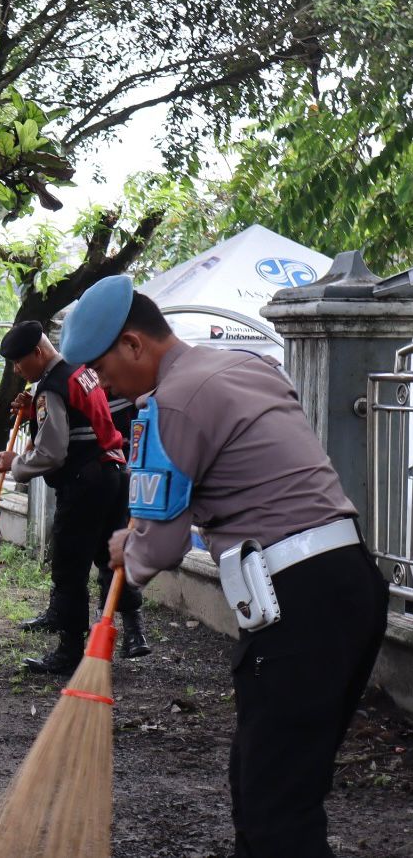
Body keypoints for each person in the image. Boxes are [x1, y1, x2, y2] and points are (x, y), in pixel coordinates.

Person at [62, 275, 388, 858]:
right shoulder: (246, 366)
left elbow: (160, 547)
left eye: (103, 369)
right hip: (350, 581)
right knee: (274, 779)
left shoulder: (173, 402)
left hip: (297, 604)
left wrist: (126, 550)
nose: (102, 385)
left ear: (134, 344)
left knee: (274, 807)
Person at [0, 321, 150, 674]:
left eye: (19, 362)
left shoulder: (52, 387)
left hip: (85, 482)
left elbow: (52, 452)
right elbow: (83, 418)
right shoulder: (80, 371)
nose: (17, 370)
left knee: (69, 565)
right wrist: (34, 412)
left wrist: (15, 463)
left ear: (38, 353)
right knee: (111, 556)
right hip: (114, 475)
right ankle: (135, 631)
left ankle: (69, 651)